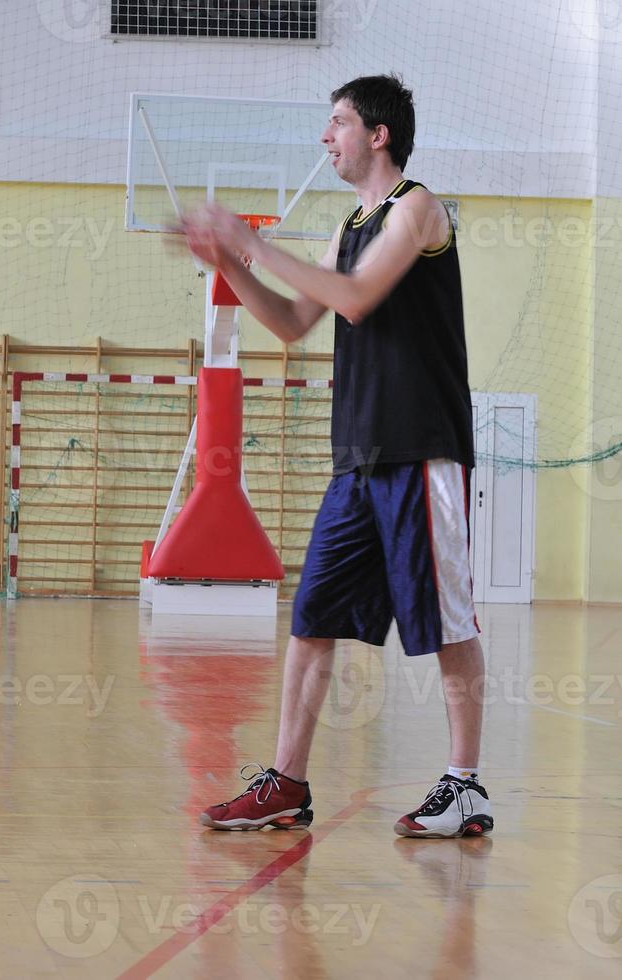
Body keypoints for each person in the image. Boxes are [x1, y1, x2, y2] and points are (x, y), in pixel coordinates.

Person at [182, 75, 492, 838]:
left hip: (421, 450)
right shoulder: (346, 226)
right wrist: (231, 265)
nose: (327, 138)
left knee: (446, 622)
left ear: (377, 135)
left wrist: (252, 239)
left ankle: (465, 785)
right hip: (357, 459)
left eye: (338, 123)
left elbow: (355, 299)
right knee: (312, 616)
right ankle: (286, 781)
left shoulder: (418, 208)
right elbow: (293, 321)